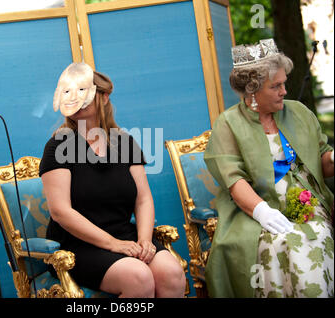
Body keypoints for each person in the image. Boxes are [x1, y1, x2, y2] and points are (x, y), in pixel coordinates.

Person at [40, 62, 186, 297]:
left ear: (103, 97)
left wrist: (145, 240)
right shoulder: (58, 145)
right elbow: (60, 211)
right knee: (138, 277)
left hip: (124, 234)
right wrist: (111, 243)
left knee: (172, 272)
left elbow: (143, 199)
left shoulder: (125, 142)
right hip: (78, 245)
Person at [204, 38, 334, 298]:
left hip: (308, 202)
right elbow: (234, 180)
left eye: (284, 83)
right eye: (276, 86)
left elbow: (322, 162)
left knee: (315, 235)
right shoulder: (228, 123)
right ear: (252, 90)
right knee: (282, 242)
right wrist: (263, 212)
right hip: (253, 209)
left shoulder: (299, 112)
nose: (284, 91)